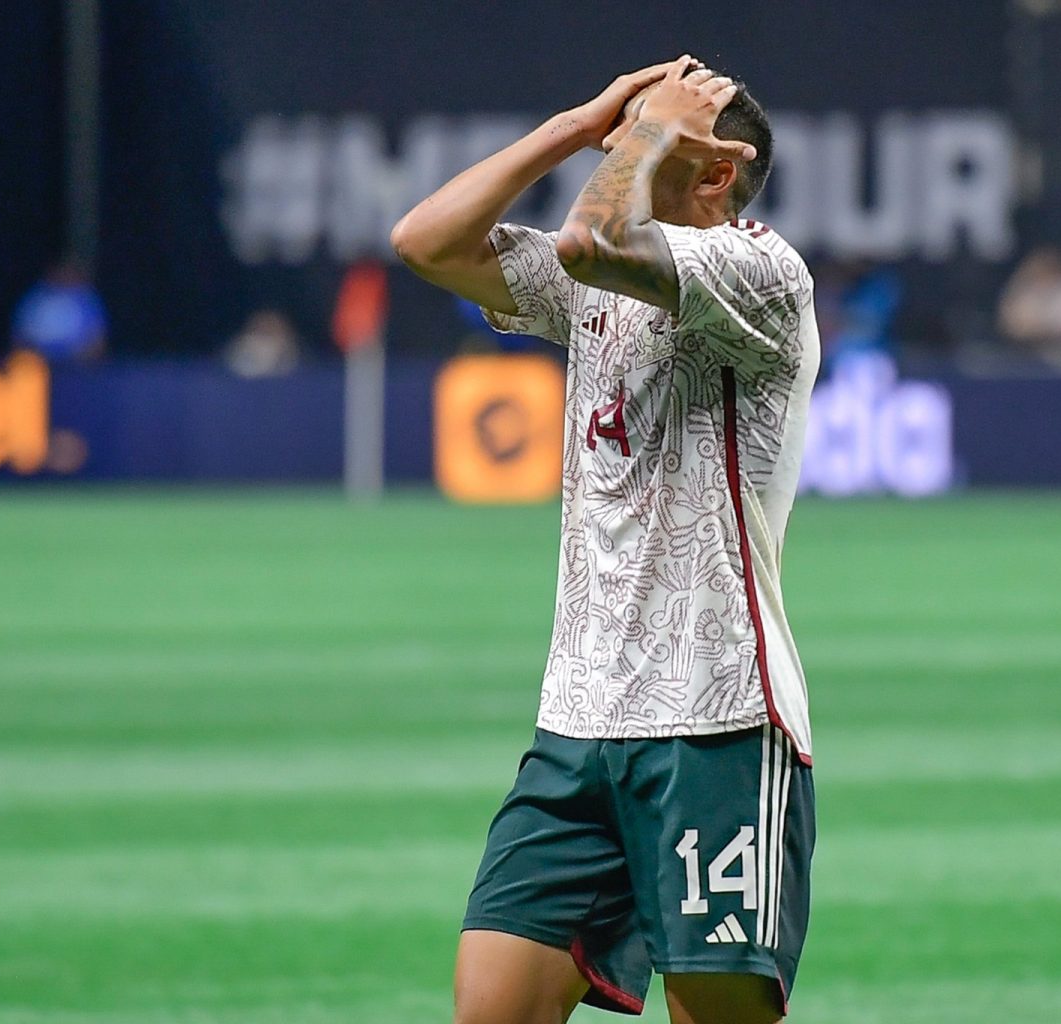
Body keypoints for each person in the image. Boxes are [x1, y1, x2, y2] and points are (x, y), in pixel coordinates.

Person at [392, 56, 819, 1024]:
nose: (621, 147)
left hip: (714, 713)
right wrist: (574, 125)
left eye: (643, 139)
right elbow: (424, 241)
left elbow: (590, 238)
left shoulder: (760, 271)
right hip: (579, 717)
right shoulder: (592, 284)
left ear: (714, 174)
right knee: (488, 1011)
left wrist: (643, 135)